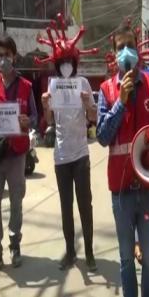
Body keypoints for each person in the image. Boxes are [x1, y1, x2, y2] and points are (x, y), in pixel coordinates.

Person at [97, 25, 149, 297]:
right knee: (126, 259)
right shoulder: (106, 90)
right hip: (122, 192)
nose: (125, 52)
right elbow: (103, 136)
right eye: (119, 47)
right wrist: (120, 103)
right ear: (113, 54)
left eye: (130, 46)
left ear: (138, 50)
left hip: (148, 190)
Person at [0, 35, 37, 276]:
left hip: (17, 153)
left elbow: (34, 117)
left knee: (16, 202)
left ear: (15, 56)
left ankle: (14, 244)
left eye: (7, 55)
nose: (4, 59)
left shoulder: (26, 86)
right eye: (0, 55)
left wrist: (27, 121)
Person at [41, 57, 98, 272]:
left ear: (75, 62)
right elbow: (49, 120)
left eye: (69, 61)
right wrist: (46, 105)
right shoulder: (53, 84)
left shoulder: (83, 83)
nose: (66, 65)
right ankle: (70, 251)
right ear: (57, 64)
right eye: (62, 61)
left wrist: (86, 104)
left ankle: (90, 252)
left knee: (85, 205)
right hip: (61, 156)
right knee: (66, 207)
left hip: (81, 154)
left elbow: (93, 115)